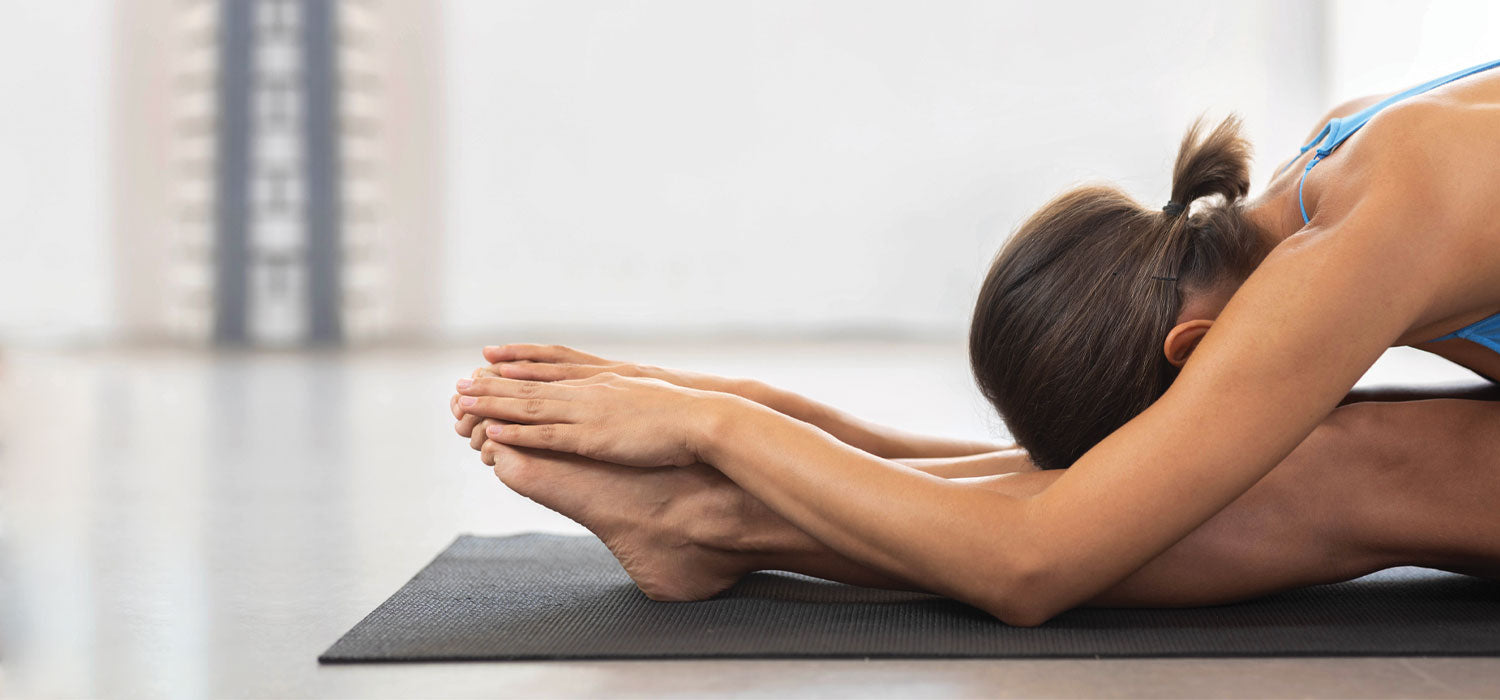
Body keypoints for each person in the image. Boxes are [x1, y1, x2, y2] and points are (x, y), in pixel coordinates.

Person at [451, 58, 1500, 625]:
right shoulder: (1349, 174)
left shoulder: (1360, 213)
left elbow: (1032, 562)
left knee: (1338, 462)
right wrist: (776, 413)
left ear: (1190, 349)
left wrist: (717, 427)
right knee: (1291, 451)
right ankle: (720, 514)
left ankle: (720, 520)